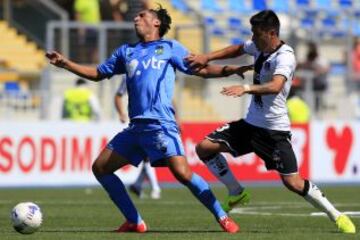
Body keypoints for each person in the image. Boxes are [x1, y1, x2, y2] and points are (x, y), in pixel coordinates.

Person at [46, 5, 250, 233]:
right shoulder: (126, 51)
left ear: (156, 23)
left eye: (142, 15)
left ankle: (222, 216)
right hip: (135, 129)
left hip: (160, 125)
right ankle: (135, 221)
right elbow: (98, 74)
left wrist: (230, 69)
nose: (136, 18)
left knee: (182, 174)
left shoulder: (170, 47)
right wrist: (66, 64)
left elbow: (201, 70)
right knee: (100, 168)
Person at [186, 10, 356, 234]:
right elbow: (238, 48)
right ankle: (236, 192)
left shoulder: (285, 56)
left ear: (272, 33)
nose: (253, 39)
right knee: (204, 148)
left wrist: (245, 88)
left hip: (273, 131)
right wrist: (207, 57)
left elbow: (276, 86)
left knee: (293, 183)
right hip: (250, 125)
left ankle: (336, 215)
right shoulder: (259, 45)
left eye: (257, 34)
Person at [114, 77, 161, 199]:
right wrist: (121, 113)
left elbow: (169, 98)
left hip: (156, 120)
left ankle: (138, 185)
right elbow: (118, 95)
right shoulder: (129, 76)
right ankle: (154, 188)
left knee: (148, 157)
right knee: (147, 157)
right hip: (139, 122)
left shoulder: (154, 70)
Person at [297, 42, 330, 113]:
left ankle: (316, 110)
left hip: (318, 84)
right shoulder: (306, 60)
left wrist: (317, 69)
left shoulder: (321, 60)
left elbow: (326, 69)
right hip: (306, 85)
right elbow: (298, 66)